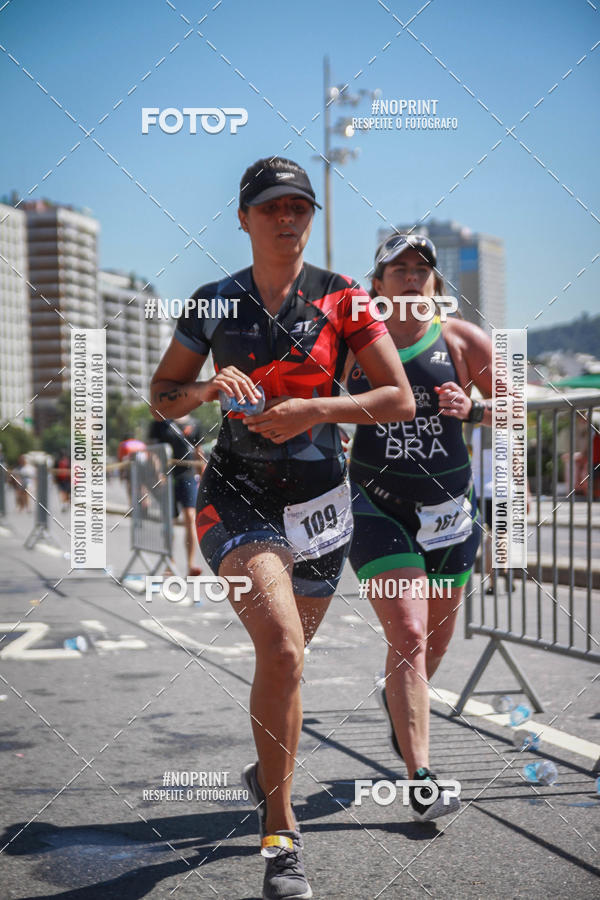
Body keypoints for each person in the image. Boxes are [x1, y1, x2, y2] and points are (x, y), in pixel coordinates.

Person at [150, 157, 415, 899]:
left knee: (286, 669)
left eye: (299, 205)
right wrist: (203, 387)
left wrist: (315, 410)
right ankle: (283, 837)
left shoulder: (344, 299)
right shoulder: (214, 301)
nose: (287, 217)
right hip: (235, 498)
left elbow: (396, 399)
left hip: (321, 506)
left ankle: (269, 773)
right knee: (284, 648)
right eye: (270, 207)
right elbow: (163, 397)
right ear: (244, 218)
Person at [346, 233, 494, 822]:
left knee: (433, 640)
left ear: (435, 282)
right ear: (377, 284)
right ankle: (421, 776)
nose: (411, 277)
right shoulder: (353, 346)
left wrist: (476, 409)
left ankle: (400, 709)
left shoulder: (460, 340)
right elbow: (308, 393)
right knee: (407, 633)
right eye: (397, 268)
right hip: (377, 506)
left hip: (451, 514)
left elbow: (521, 404)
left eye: (422, 268)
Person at [147, 415, 206, 576]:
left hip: (187, 476)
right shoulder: (160, 423)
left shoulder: (194, 423)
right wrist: (158, 473)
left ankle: (190, 564)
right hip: (167, 477)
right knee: (169, 521)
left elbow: (198, 451)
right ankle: (169, 562)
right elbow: (153, 451)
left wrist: (205, 478)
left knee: (190, 517)